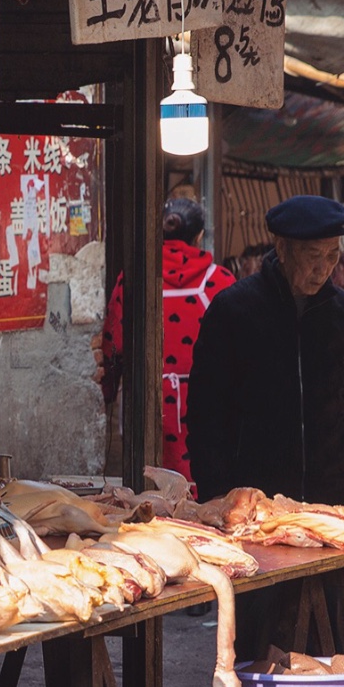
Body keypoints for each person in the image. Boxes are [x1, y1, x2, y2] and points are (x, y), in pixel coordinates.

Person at [186, 194, 344, 658]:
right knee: (260, 636)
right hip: (256, 512)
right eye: (313, 256)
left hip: (331, 508)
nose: (324, 268)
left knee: (332, 639)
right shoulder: (234, 311)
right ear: (282, 247)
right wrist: (217, 496)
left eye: (333, 255)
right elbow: (206, 413)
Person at [96, 197, 237, 480]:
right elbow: (241, 353)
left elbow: (112, 347)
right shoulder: (220, 281)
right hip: (206, 405)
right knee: (204, 491)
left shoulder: (134, 280)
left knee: (151, 493)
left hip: (147, 405)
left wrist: (107, 394)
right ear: (199, 236)